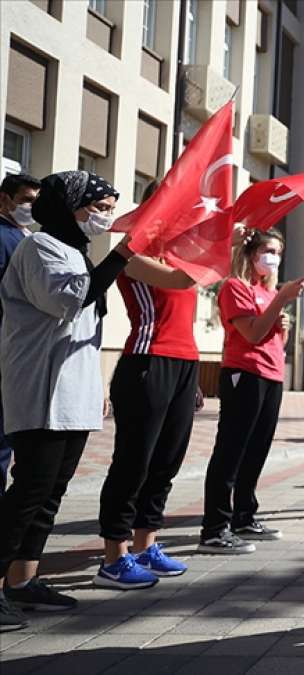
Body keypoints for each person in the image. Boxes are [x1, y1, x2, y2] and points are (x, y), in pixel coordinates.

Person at [0, 171, 133, 631]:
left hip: (73, 392)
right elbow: (69, 301)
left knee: (50, 495)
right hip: (41, 389)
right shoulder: (38, 248)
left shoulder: (74, 251)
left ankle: (22, 581)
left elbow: (85, 330)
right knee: (29, 492)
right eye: (99, 207)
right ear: (69, 207)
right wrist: (122, 255)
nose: (105, 217)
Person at [95, 181, 203, 589]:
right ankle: (113, 557)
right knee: (133, 462)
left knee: (166, 463)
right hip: (147, 361)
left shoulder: (181, 251)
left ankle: (146, 545)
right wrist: (221, 245)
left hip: (183, 364)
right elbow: (179, 282)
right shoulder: (131, 250)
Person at [199, 228, 303, 554]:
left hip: (271, 376)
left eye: (278, 253)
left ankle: (244, 516)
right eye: (268, 251)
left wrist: (281, 320)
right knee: (232, 450)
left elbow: (272, 341)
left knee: (257, 449)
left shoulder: (268, 293)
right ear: (251, 253)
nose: (273, 258)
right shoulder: (235, 287)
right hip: (244, 374)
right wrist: (281, 302)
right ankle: (215, 528)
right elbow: (253, 334)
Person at [0, 172, 39, 495]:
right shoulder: (3, 237)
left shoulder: (26, 237)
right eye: (25, 200)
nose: (31, 207)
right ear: (5, 199)